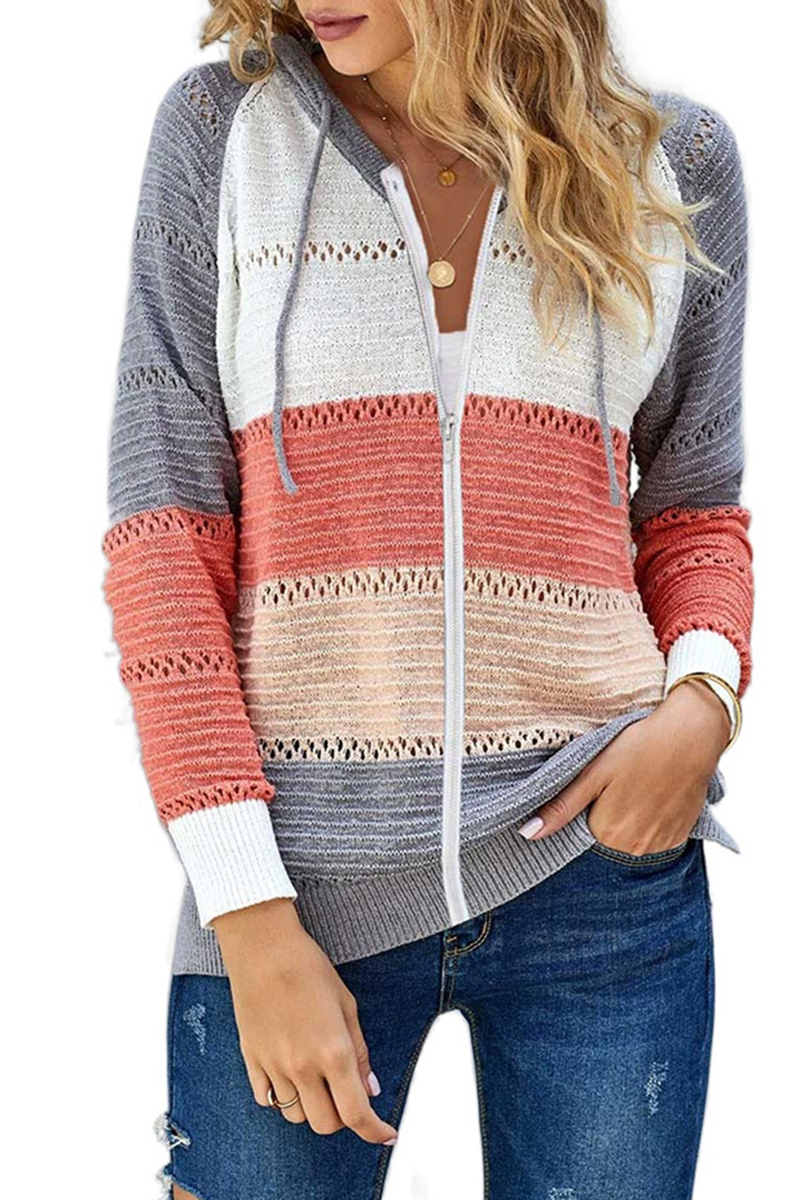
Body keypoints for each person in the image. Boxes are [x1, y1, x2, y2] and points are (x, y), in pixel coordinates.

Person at [101, 2, 755, 1196]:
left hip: (598, 882)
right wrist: (247, 913)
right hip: (300, 894)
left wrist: (702, 701)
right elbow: (163, 541)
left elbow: (692, 508)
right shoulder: (224, 134)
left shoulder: (673, 165)